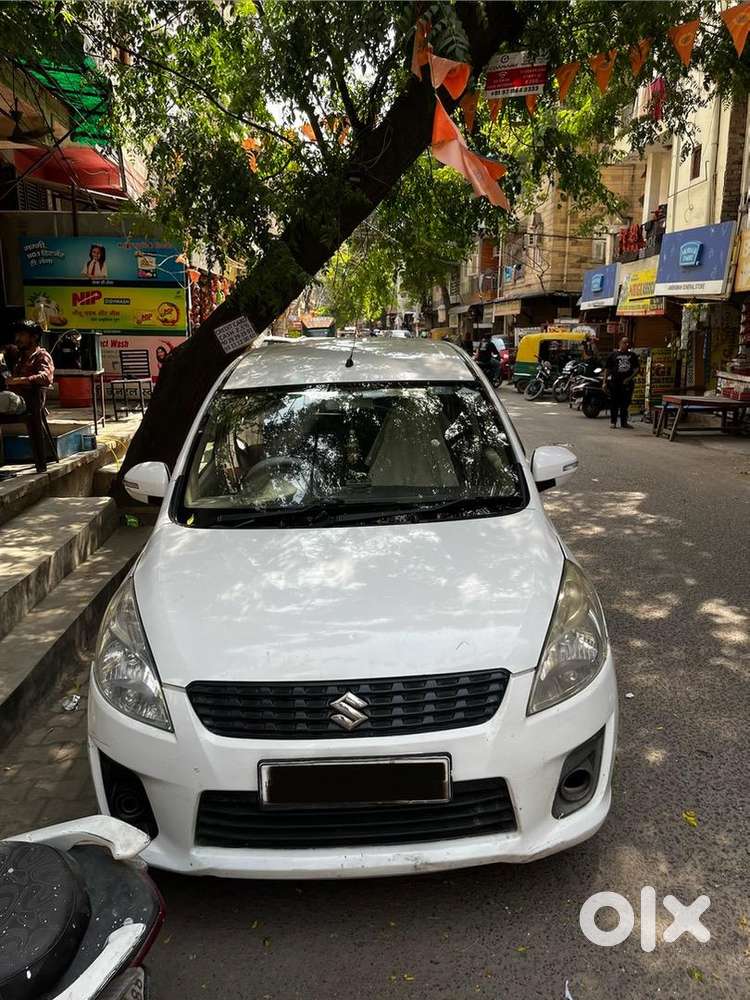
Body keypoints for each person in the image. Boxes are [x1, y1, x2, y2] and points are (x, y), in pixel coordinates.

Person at [0, 320, 54, 415]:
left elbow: (46, 377)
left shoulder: (42, 356)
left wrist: (19, 380)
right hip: (13, 398)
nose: (17, 339)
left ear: (34, 337)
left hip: (28, 402)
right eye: (16, 335)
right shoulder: (19, 354)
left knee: (4, 398)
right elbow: (6, 348)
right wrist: (1, 353)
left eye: (21, 335)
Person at [605, 336, 640, 429]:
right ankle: (613, 422)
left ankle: (624, 422)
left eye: (628, 343)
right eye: (624, 342)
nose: (626, 344)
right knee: (614, 402)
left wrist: (629, 378)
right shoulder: (613, 355)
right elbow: (607, 369)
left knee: (625, 403)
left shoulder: (632, 355)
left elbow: (636, 369)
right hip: (615, 382)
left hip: (627, 383)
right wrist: (604, 382)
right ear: (619, 343)